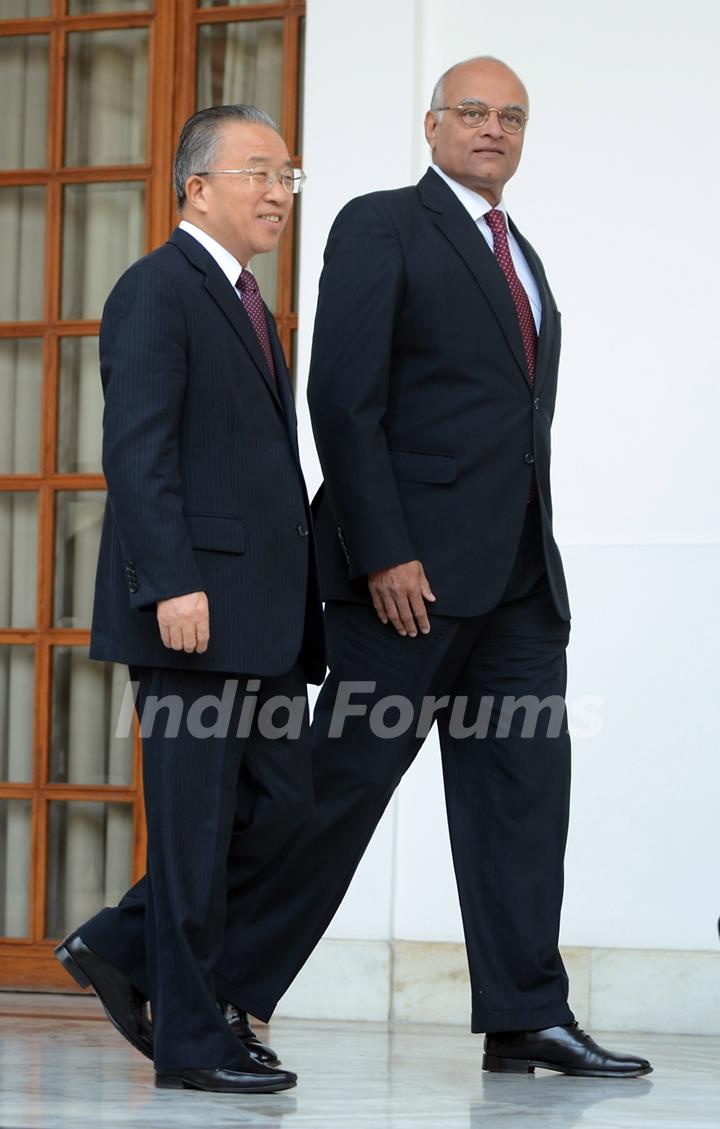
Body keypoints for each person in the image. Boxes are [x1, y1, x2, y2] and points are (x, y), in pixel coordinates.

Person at [188, 56, 652, 1078]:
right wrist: (385, 549)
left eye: (512, 117)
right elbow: (342, 399)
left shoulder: (517, 251)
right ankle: (205, 985)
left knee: (525, 798)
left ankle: (528, 1011)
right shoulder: (383, 223)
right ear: (434, 125)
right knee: (335, 792)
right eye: (474, 112)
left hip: (521, 582)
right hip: (408, 582)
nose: (493, 130)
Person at [54, 104, 325, 1095]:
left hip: (266, 623)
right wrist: (170, 580)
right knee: (197, 827)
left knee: (290, 811)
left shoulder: (253, 305)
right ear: (195, 186)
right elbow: (139, 452)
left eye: (287, 175)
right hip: (193, 613)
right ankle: (193, 1036)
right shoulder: (154, 290)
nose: (276, 191)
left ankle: (126, 945)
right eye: (257, 172)